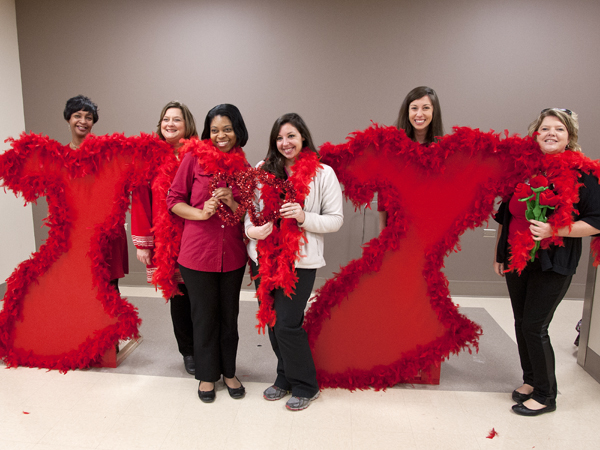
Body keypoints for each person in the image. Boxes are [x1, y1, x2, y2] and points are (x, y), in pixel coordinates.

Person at [493, 108, 600, 416]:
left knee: (535, 326)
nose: (551, 133)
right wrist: (500, 256)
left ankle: (546, 395)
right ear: (535, 134)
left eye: (559, 129)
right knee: (521, 323)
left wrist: (556, 229)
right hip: (518, 258)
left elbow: (596, 221)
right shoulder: (522, 169)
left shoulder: (584, 173)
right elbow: (505, 215)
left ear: (569, 137)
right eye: (545, 128)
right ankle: (530, 381)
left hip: (554, 262)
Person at [245, 113, 344, 411]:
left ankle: (306, 384)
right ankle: (284, 377)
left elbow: (336, 220)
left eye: (291, 136)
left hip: (300, 262)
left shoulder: (323, 173)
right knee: (274, 324)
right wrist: (252, 230)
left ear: (303, 137)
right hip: (264, 259)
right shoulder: (262, 170)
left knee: (288, 324)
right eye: (279, 138)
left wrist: (303, 217)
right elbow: (250, 213)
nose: (285, 143)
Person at [167, 104, 249, 403]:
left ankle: (229, 371)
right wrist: (201, 214)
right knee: (203, 317)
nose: (221, 135)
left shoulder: (244, 166)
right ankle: (206, 374)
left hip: (232, 255)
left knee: (229, 317)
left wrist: (232, 202)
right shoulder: (193, 158)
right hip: (197, 253)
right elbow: (173, 199)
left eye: (227, 129)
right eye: (214, 130)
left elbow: (247, 215)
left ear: (237, 130)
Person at [131, 101, 197, 375]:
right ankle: (189, 352)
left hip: (196, 237)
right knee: (179, 297)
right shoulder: (149, 158)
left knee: (202, 298)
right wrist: (144, 242)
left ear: (187, 125)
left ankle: (207, 348)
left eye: (176, 120)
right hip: (165, 239)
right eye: (165, 119)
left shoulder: (198, 155)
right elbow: (140, 200)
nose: (170, 124)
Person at [63, 95, 129, 290]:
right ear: (68, 119)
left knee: (108, 289)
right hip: (75, 234)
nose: (83, 121)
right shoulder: (60, 157)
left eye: (88, 117)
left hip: (105, 232)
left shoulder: (107, 152)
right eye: (77, 116)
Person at [378, 86, 444, 232]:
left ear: (434, 111)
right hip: (396, 231)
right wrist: (382, 235)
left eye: (425, 108)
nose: (419, 114)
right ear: (407, 111)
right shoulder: (392, 149)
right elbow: (383, 199)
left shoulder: (444, 152)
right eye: (414, 108)